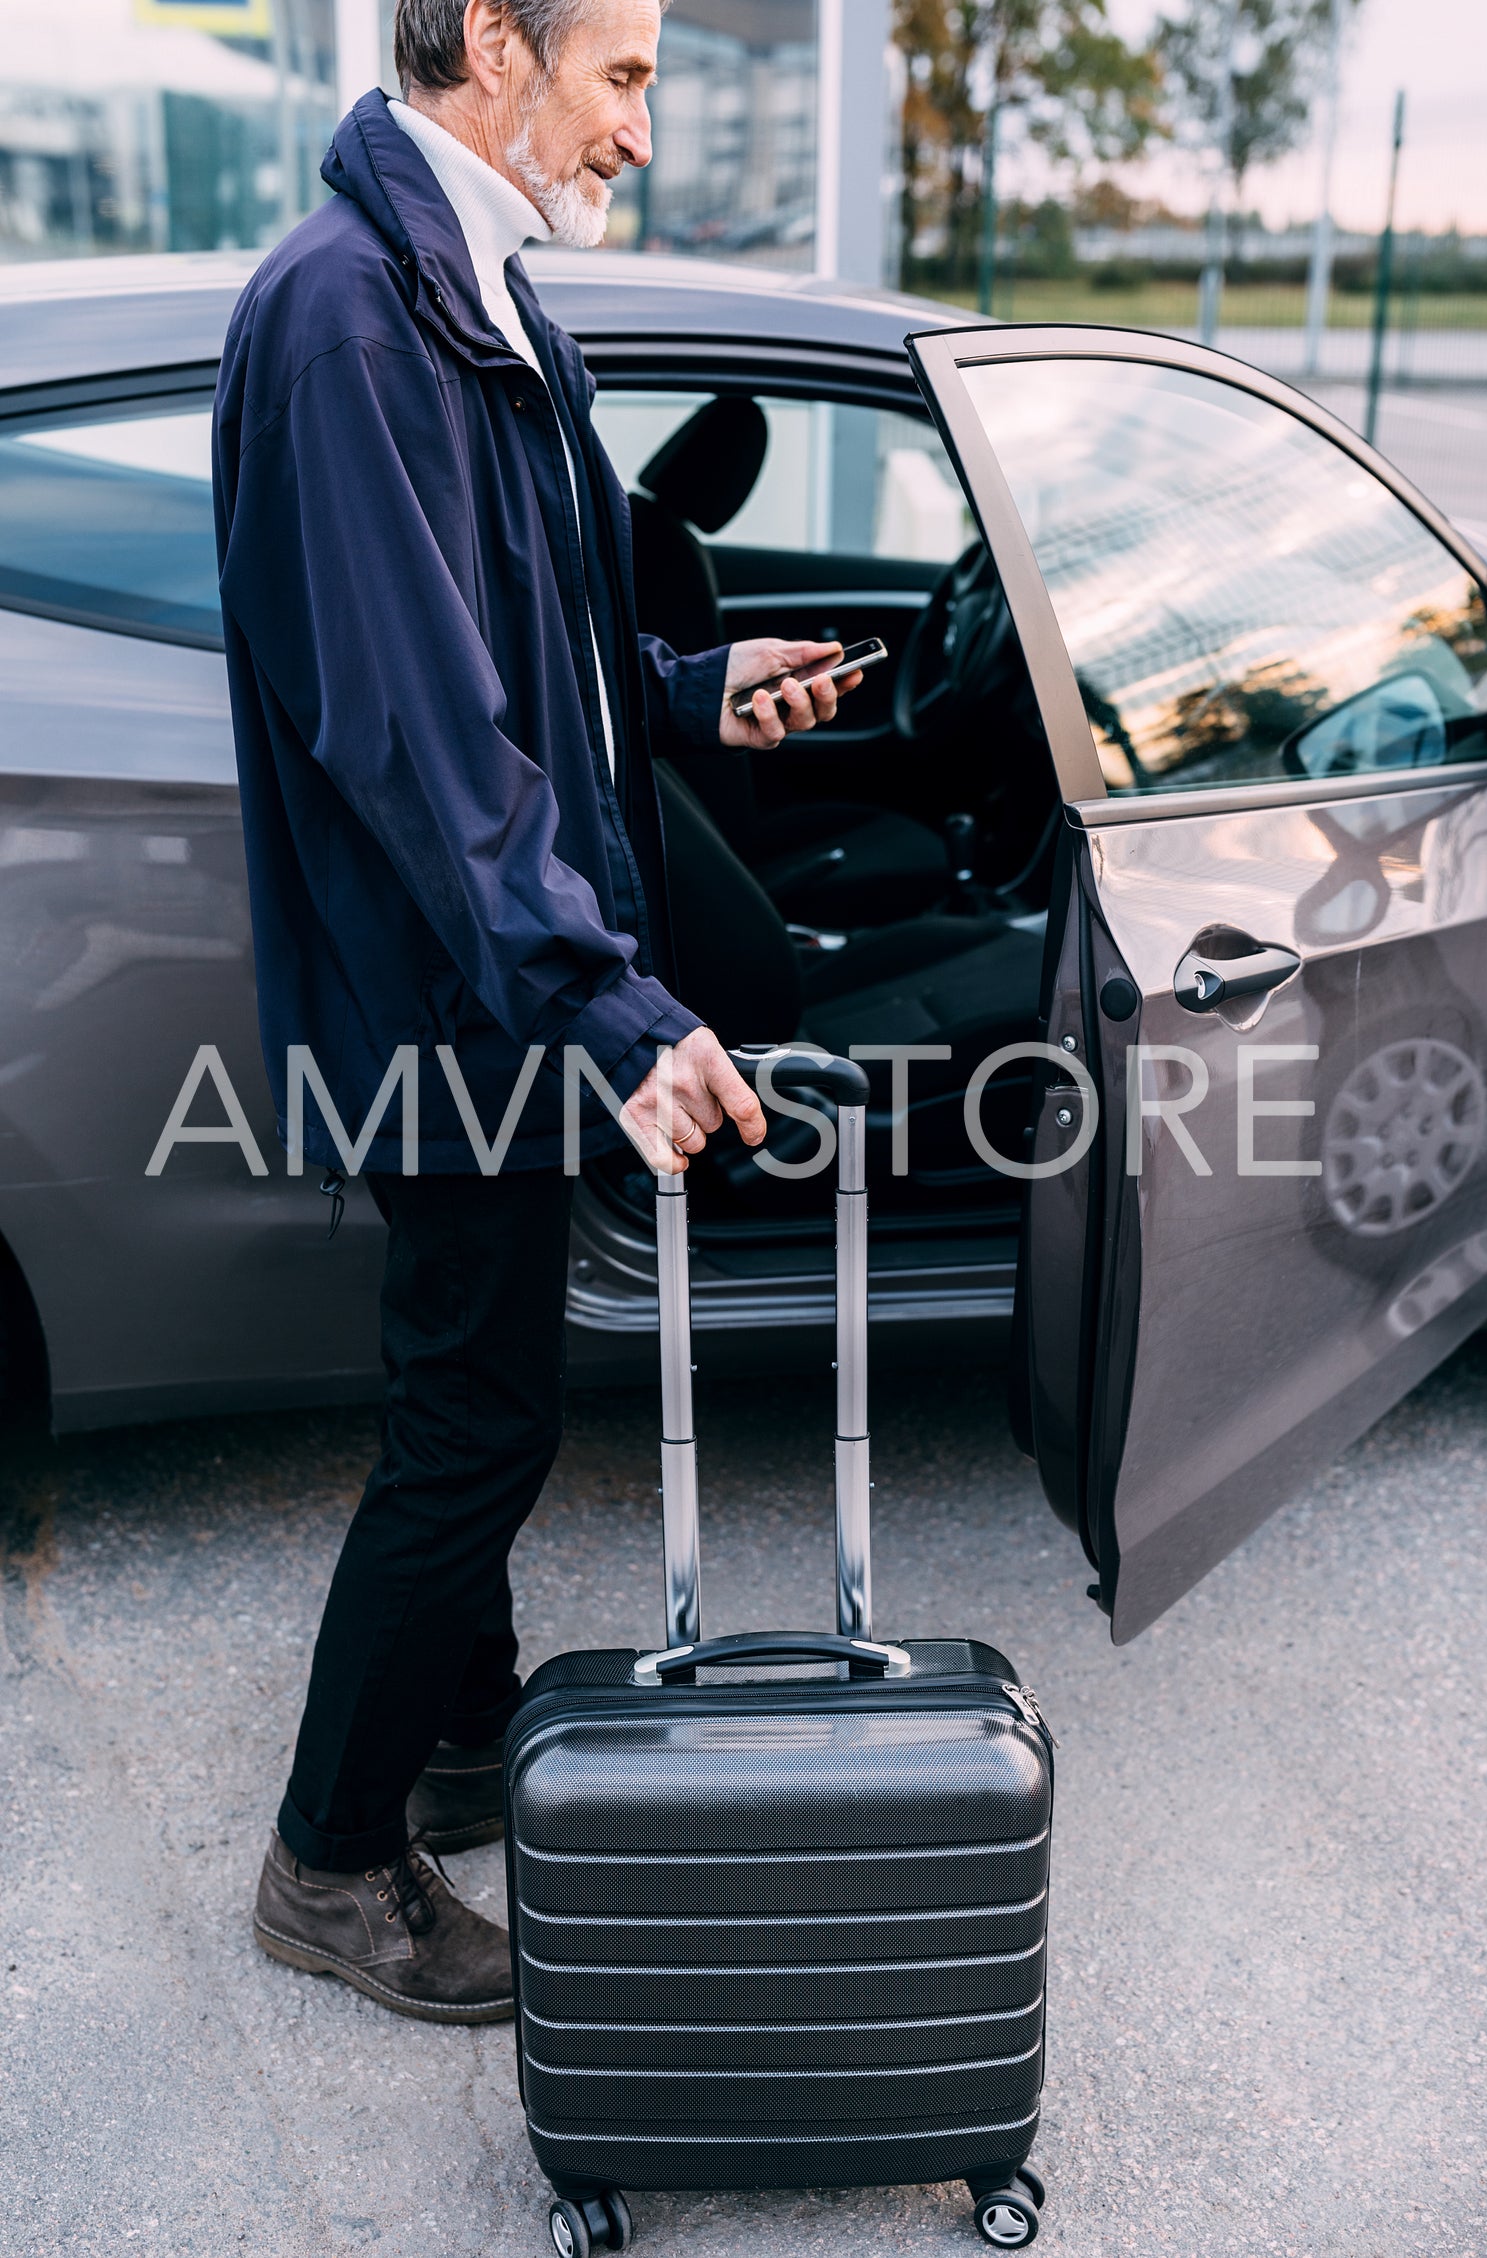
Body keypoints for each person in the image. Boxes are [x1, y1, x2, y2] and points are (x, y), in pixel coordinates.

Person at [213, 0, 861, 2024]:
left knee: (479, 1388)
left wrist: (687, 691)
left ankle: (469, 1735)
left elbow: (534, 659)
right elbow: (416, 735)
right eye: (624, 76)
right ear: (492, 38)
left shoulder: (477, 299)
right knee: (473, 1425)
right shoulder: (352, 320)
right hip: (455, 997)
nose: (641, 131)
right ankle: (331, 1861)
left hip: (495, 980)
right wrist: (609, 998)